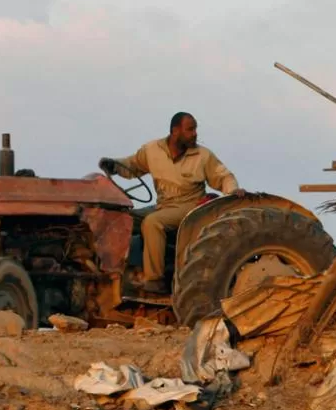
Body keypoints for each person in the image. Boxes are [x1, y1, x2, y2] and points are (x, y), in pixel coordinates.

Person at [99, 112, 244, 294]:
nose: (195, 134)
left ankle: (155, 280)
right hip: (163, 205)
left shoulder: (202, 155)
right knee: (121, 220)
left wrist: (232, 191)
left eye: (195, 129)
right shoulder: (152, 150)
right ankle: (120, 275)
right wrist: (114, 165)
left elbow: (223, 176)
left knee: (153, 222)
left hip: (190, 206)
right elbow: (132, 164)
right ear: (175, 131)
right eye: (190, 129)